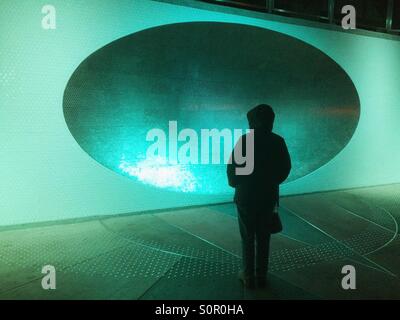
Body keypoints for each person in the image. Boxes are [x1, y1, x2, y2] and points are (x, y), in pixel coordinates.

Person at [227, 104, 291, 289]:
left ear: (253, 122)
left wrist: (237, 184)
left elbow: (232, 170)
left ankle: (248, 276)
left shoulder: (245, 141)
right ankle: (261, 275)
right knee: (264, 237)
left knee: (247, 236)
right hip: (268, 196)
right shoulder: (278, 141)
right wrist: (272, 182)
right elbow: (285, 168)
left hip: (246, 197)